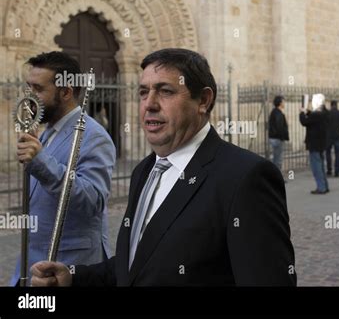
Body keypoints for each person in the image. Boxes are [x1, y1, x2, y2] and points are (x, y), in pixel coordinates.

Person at [31, 48, 296, 286]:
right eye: (143, 92)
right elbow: (135, 265)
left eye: (165, 91)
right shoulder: (144, 172)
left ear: (203, 100)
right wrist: (73, 277)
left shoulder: (246, 177)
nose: (150, 104)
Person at [12, 51, 116, 285]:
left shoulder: (94, 136)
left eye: (38, 89)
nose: (29, 96)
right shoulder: (47, 131)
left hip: (69, 265)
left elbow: (93, 200)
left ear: (66, 92)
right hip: (32, 265)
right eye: (28, 87)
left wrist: (40, 162)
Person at [299, 93, 329, 194]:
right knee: (321, 166)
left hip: (314, 144)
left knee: (316, 167)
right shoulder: (324, 113)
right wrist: (307, 111)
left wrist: (302, 112)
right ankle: (325, 186)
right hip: (321, 144)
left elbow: (304, 122)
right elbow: (313, 116)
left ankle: (321, 188)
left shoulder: (316, 114)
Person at [326, 100, 339, 177]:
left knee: (328, 153)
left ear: (331, 105)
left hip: (328, 137)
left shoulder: (327, 114)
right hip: (338, 136)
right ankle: (337, 172)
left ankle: (329, 170)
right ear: (336, 105)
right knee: (337, 154)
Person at [268, 95, 289, 172]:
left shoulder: (275, 112)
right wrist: (283, 138)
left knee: (276, 158)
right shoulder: (278, 113)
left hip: (275, 138)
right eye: (283, 101)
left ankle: (275, 176)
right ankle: (277, 178)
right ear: (280, 103)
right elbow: (279, 127)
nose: (284, 103)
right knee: (278, 159)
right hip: (277, 139)